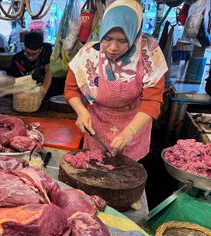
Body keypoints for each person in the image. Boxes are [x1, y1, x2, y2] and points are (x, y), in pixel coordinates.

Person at [64, 0, 167, 160]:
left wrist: (129, 132)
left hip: (134, 126)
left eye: (122, 41)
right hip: (97, 127)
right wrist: (81, 112)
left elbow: (152, 101)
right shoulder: (89, 53)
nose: (112, 47)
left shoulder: (149, 53)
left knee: (128, 176)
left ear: (134, 35)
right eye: (107, 38)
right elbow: (71, 89)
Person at [8, 31, 53, 99]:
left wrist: (41, 94)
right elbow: (13, 81)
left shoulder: (46, 49)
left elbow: (49, 71)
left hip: (46, 95)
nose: (30, 57)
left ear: (41, 49)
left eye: (34, 54)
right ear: (24, 47)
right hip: (26, 96)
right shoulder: (17, 59)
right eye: (27, 53)